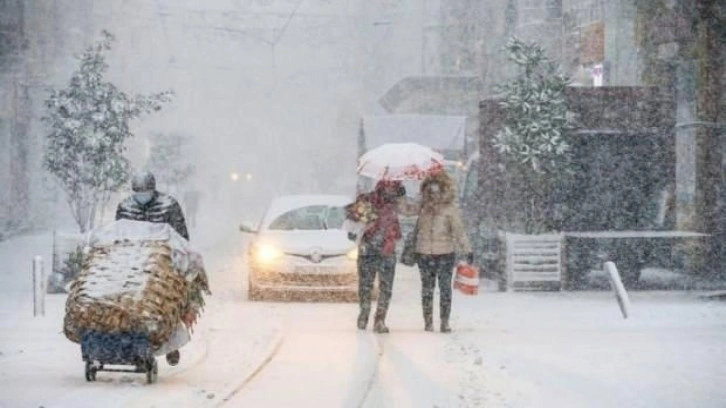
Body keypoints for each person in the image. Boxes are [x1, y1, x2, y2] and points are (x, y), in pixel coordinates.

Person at [115, 170, 192, 365]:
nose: (142, 195)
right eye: (138, 191)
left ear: (153, 189)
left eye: (145, 191)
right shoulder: (125, 207)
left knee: (168, 300)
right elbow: (118, 235)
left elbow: (181, 237)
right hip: (132, 262)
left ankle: (171, 343)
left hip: (161, 264)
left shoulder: (169, 206)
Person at [414, 170, 472, 333]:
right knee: (427, 289)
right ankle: (428, 321)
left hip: (445, 253)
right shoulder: (422, 207)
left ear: (443, 190)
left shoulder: (449, 210)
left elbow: (459, 231)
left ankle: (444, 321)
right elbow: (407, 209)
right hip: (424, 253)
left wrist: (467, 249)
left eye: (436, 191)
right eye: (430, 191)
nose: (433, 195)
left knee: (445, 289)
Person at [347, 180, 405, 333]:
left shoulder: (395, 204)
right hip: (369, 249)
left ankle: (380, 319)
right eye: (389, 187)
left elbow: (399, 226)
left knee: (386, 287)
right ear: (382, 187)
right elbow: (354, 216)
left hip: (387, 250)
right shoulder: (368, 200)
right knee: (366, 286)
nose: (391, 190)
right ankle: (364, 313)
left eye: (394, 187)